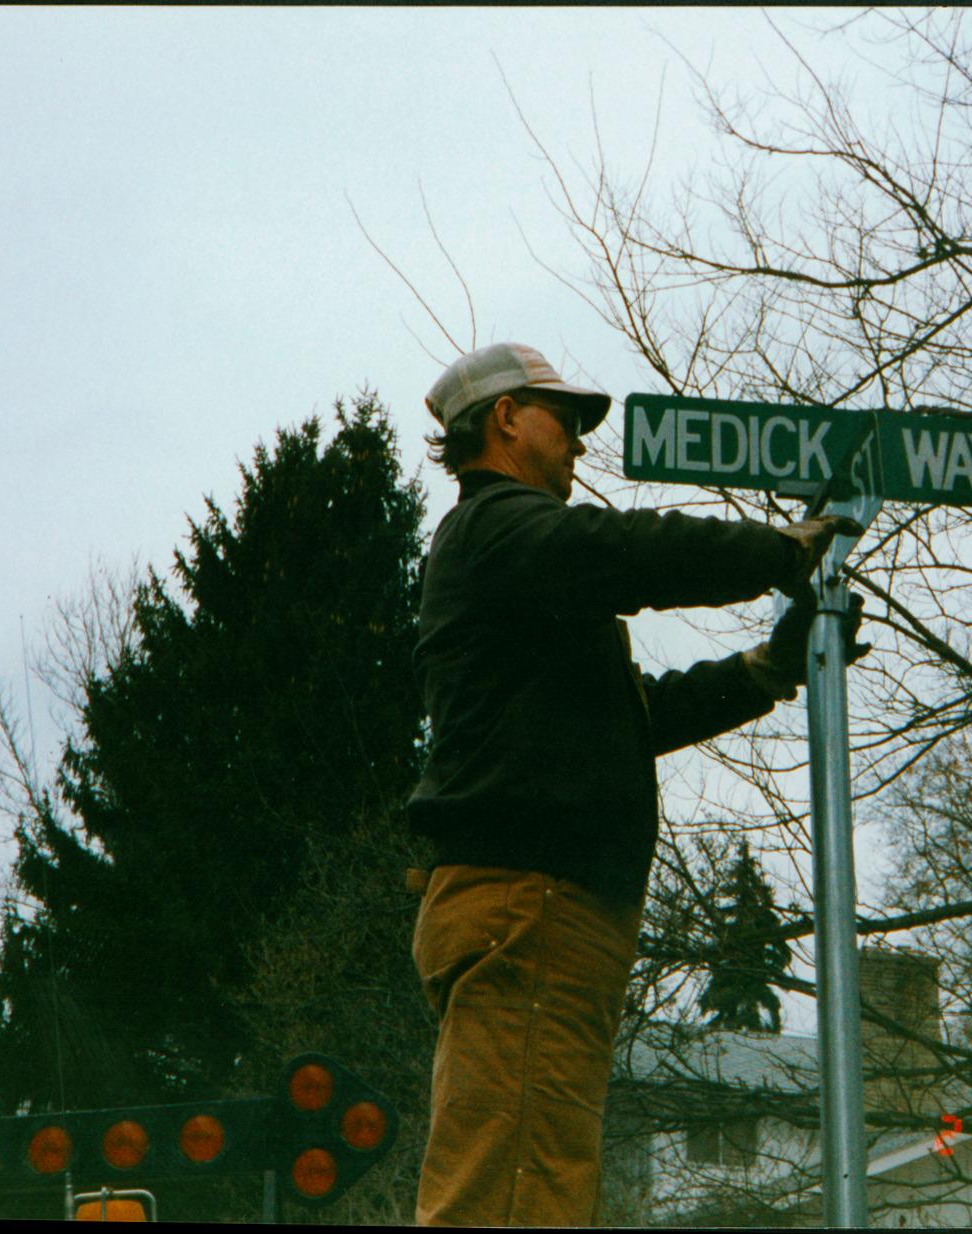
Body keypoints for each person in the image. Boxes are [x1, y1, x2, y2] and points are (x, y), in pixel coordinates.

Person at [406, 342, 866, 1226]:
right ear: (505, 418)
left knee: (532, 1180)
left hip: (537, 912)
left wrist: (766, 667)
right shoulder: (498, 526)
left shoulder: (512, 566)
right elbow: (624, 549)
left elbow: (629, 719)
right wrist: (776, 549)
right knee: (512, 1199)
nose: (579, 443)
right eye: (565, 419)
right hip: (529, 908)